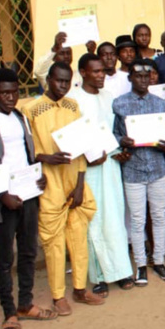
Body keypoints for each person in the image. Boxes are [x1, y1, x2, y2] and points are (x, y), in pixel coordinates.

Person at [0, 68, 55, 329]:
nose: (10, 97)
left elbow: (26, 154)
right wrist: (1, 194)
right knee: (5, 257)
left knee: (29, 251)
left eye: (15, 91)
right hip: (3, 200)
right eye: (5, 92)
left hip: (28, 193)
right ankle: (9, 312)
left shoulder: (21, 118)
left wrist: (38, 176)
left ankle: (25, 303)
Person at [22, 62, 103, 315]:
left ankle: (80, 289)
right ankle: (58, 296)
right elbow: (24, 151)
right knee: (53, 243)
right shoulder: (30, 110)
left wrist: (79, 185)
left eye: (67, 82)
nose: (63, 86)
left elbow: (79, 148)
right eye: (58, 81)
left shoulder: (73, 106)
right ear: (48, 79)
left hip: (73, 181)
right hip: (49, 184)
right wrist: (44, 157)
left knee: (78, 238)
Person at [70, 54, 135, 296]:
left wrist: (121, 150)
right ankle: (98, 276)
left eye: (102, 72)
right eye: (95, 71)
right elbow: (72, 136)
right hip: (87, 169)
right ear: (83, 72)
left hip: (110, 165)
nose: (100, 75)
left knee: (115, 217)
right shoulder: (73, 100)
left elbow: (115, 131)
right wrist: (87, 155)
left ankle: (120, 270)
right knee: (93, 220)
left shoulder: (110, 98)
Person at [112, 59, 165, 286]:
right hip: (133, 169)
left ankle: (159, 260)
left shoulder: (160, 104)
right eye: (137, 75)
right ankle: (140, 265)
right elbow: (113, 134)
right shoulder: (118, 104)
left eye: (146, 75)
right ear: (130, 78)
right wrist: (122, 141)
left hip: (158, 167)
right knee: (137, 220)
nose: (142, 79)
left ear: (151, 77)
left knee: (159, 216)